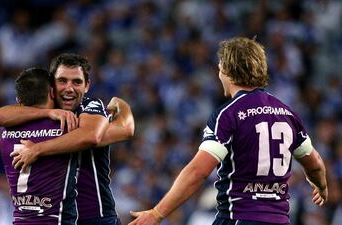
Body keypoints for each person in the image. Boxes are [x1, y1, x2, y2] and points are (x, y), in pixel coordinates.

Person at [128, 37, 328, 225]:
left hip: (238, 217)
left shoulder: (228, 114)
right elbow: (316, 164)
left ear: (227, 71)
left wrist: (157, 213)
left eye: (220, 68)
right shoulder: (288, 113)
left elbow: (198, 171)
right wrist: (321, 187)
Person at [0, 53, 134, 225]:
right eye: (62, 81)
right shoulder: (42, 113)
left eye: (77, 82)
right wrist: (48, 112)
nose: (69, 88)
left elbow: (95, 135)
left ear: (87, 85)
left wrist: (37, 149)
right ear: (52, 86)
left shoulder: (89, 106)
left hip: (95, 217)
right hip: (58, 218)